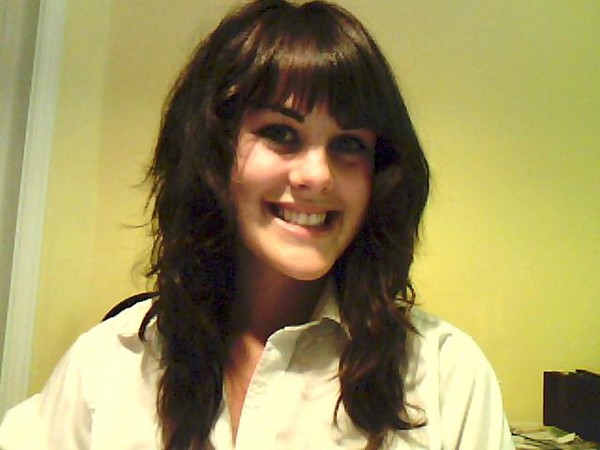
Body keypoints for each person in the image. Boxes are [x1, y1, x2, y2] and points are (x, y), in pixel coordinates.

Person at [0, 0, 515, 449]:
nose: (318, 175)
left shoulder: (445, 376)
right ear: (214, 152)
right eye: (281, 134)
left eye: (349, 144)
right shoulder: (108, 368)